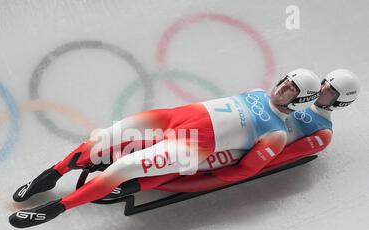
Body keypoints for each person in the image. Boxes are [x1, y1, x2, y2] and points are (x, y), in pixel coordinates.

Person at [9, 69, 321, 228]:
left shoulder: (277, 134)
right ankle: (51, 174)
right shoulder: (256, 92)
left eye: (291, 88)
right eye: (285, 80)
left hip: (190, 146)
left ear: (301, 99)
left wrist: (188, 180)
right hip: (176, 115)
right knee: (106, 137)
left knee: (121, 168)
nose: (283, 86)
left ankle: (55, 209)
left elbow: (242, 171)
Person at [135, 69, 360, 193]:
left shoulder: (323, 133)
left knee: (187, 160)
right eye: (324, 84)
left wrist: (244, 166)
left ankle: (144, 182)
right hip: (239, 129)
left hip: (251, 148)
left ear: (339, 102)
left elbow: (279, 158)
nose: (322, 91)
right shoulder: (300, 92)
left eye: (330, 92)